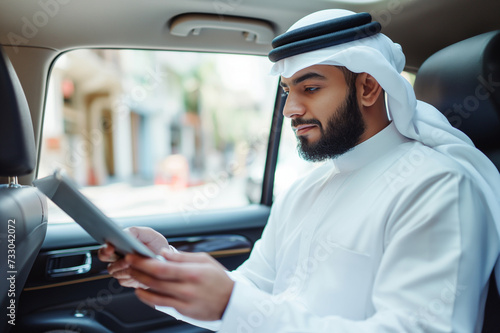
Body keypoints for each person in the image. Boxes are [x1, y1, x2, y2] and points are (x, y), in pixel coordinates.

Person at [99, 9, 500, 332]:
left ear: (368, 88)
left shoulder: (438, 187)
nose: (291, 109)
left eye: (310, 89)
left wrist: (230, 305)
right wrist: (164, 267)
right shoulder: (305, 189)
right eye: (288, 90)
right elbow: (255, 289)